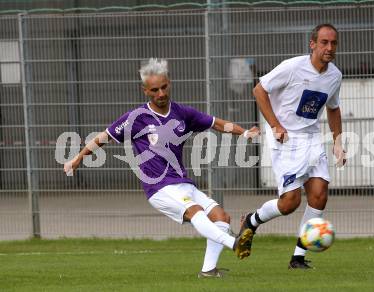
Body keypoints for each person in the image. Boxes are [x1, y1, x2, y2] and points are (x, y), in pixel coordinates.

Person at [64, 58, 259, 278]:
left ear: (170, 83)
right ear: (145, 91)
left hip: (182, 183)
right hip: (159, 187)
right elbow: (104, 137)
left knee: (221, 217)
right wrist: (78, 158)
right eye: (154, 90)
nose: (161, 93)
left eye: (164, 87)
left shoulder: (182, 113)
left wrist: (244, 132)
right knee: (195, 211)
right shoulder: (136, 118)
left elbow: (216, 123)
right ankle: (235, 244)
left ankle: (208, 271)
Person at [239, 23, 346, 269]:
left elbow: (333, 107)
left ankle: (298, 258)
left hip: (310, 138)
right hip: (284, 139)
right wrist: (275, 125)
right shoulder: (293, 67)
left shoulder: (334, 76)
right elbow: (259, 90)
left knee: (319, 194)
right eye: (324, 42)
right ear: (312, 44)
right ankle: (251, 222)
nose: (329, 48)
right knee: (290, 202)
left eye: (333, 43)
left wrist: (338, 140)